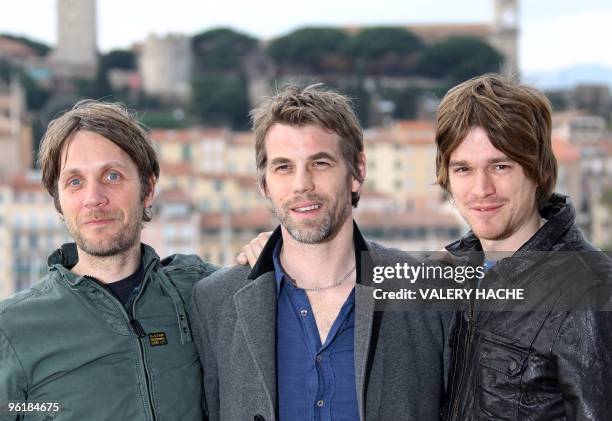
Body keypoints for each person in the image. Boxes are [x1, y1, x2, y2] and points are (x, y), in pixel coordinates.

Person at [191, 85, 451, 421]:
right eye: (283, 167)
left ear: (357, 172)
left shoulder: (425, 290)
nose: (302, 185)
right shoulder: (215, 301)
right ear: (264, 185)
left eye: (320, 163)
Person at [0, 100, 255, 420]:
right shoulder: (11, 328)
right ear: (60, 203)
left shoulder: (201, 292)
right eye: (74, 182)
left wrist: (270, 254)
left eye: (112, 176)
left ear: (147, 189)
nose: (94, 198)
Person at [435, 74, 612, 420]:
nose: (481, 188)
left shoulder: (592, 291)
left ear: (538, 170)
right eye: (464, 169)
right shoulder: (448, 277)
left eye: (500, 166)